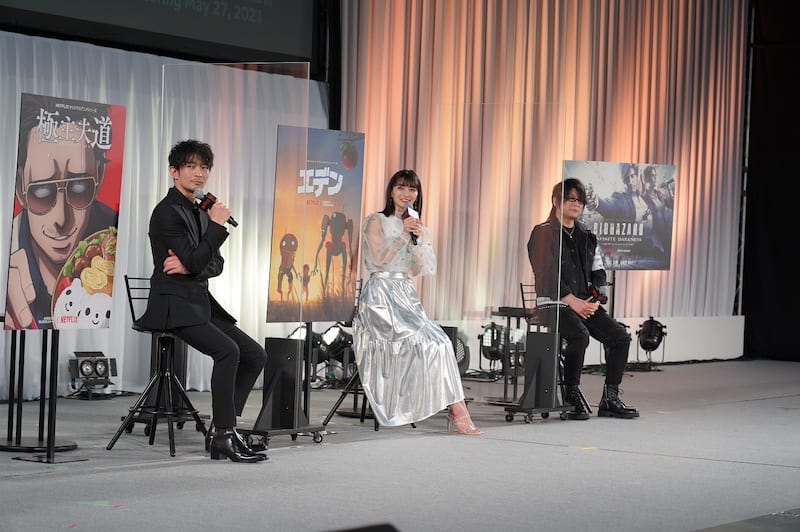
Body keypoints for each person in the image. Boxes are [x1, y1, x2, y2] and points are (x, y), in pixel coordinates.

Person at [136, 139, 268, 462]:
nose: (199, 173)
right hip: (173, 305)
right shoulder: (166, 213)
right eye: (191, 166)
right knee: (228, 351)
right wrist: (211, 235)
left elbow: (214, 264)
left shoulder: (200, 210)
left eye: (204, 167)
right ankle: (224, 435)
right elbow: (199, 260)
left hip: (198, 302)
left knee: (255, 354)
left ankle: (223, 427)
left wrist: (189, 265)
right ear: (174, 171)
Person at [352, 169, 482, 434]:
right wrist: (402, 234)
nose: (406, 194)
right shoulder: (376, 220)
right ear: (391, 191)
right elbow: (377, 260)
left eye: (412, 189)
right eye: (401, 187)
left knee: (442, 342)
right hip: (380, 296)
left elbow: (417, 269)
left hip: (405, 294)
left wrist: (417, 241)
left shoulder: (417, 227)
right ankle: (458, 411)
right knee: (424, 341)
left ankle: (455, 408)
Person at [527, 178, 639, 420]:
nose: (576, 204)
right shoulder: (542, 233)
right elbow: (546, 273)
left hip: (584, 304)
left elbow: (599, 270)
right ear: (556, 201)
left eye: (580, 200)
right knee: (580, 335)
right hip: (553, 304)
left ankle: (610, 399)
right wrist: (571, 300)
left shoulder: (587, 235)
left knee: (620, 337)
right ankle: (571, 394)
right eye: (570, 198)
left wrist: (596, 298)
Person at [6, 94, 118, 330]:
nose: (61, 219)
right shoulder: (6, 246)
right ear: (19, 187)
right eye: (41, 192)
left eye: (79, 188)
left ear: (99, 176)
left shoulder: (113, 237)